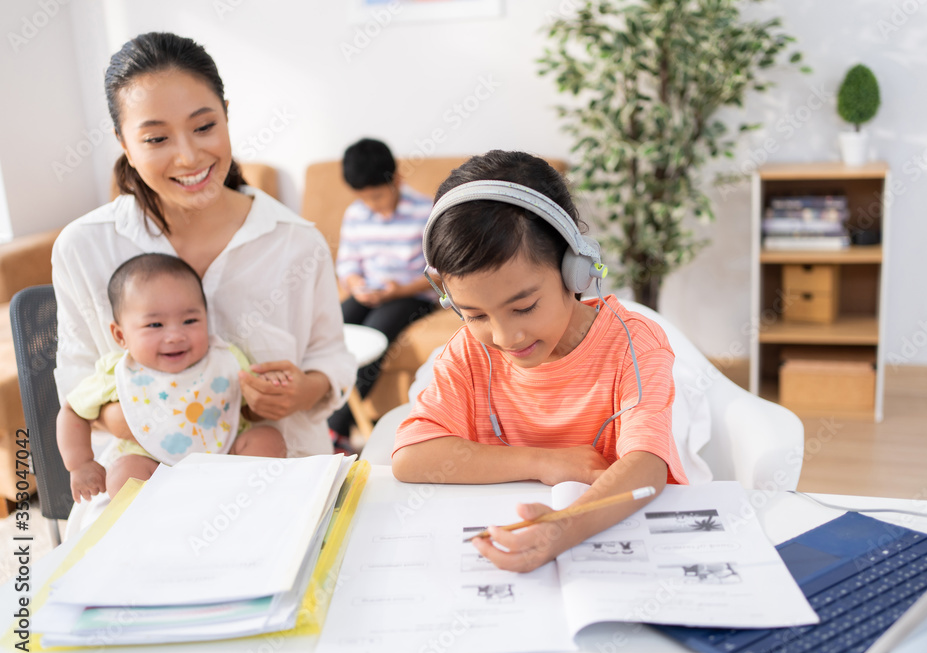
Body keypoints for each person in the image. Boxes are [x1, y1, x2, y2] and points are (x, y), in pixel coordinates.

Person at [53, 32, 355, 469]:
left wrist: (302, 391)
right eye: (157, 139)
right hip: (142, 481)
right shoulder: (84, 247)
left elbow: (331, 356)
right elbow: (78, 376)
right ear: (124, 144)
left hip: (280, 472)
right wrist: (141, 419)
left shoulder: (296, 242)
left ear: (227, 116)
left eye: (204, 126)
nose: (189, 156)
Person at [391, 150, 688, 572]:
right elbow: (410, 457)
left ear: (575, 269)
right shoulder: (470, 352)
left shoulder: (633, 346)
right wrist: (544, 461)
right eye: (475, 315)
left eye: (525, 306)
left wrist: (562, 530)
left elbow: (647, 465)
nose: (504, 337)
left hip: (610, 547)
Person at [57, 254, 287, 500]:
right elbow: (72, 411)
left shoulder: (224, 358)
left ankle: (248, 501)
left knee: (267, 438)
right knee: (124, 474)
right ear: (120, 335)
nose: (175, 335)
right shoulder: (117, 373)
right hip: (155, 468)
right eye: (155, 325)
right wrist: (80, 464)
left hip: (227, 461)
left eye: (190, 320)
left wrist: (268, 389)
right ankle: (160, 520)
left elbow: (248, 408)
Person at [328, 138, 435, 449]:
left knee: (375, 335)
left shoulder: (424, 210)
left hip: (413, 295)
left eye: (377, 195)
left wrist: (402, 289)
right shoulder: (356, 214)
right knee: (336, 326)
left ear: (396, 179)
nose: (372, 204)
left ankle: (337, 430)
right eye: (365, 198)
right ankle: (321, 417)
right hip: (371, 292)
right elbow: (347, 264)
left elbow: (439, 271)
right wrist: (356, 285)